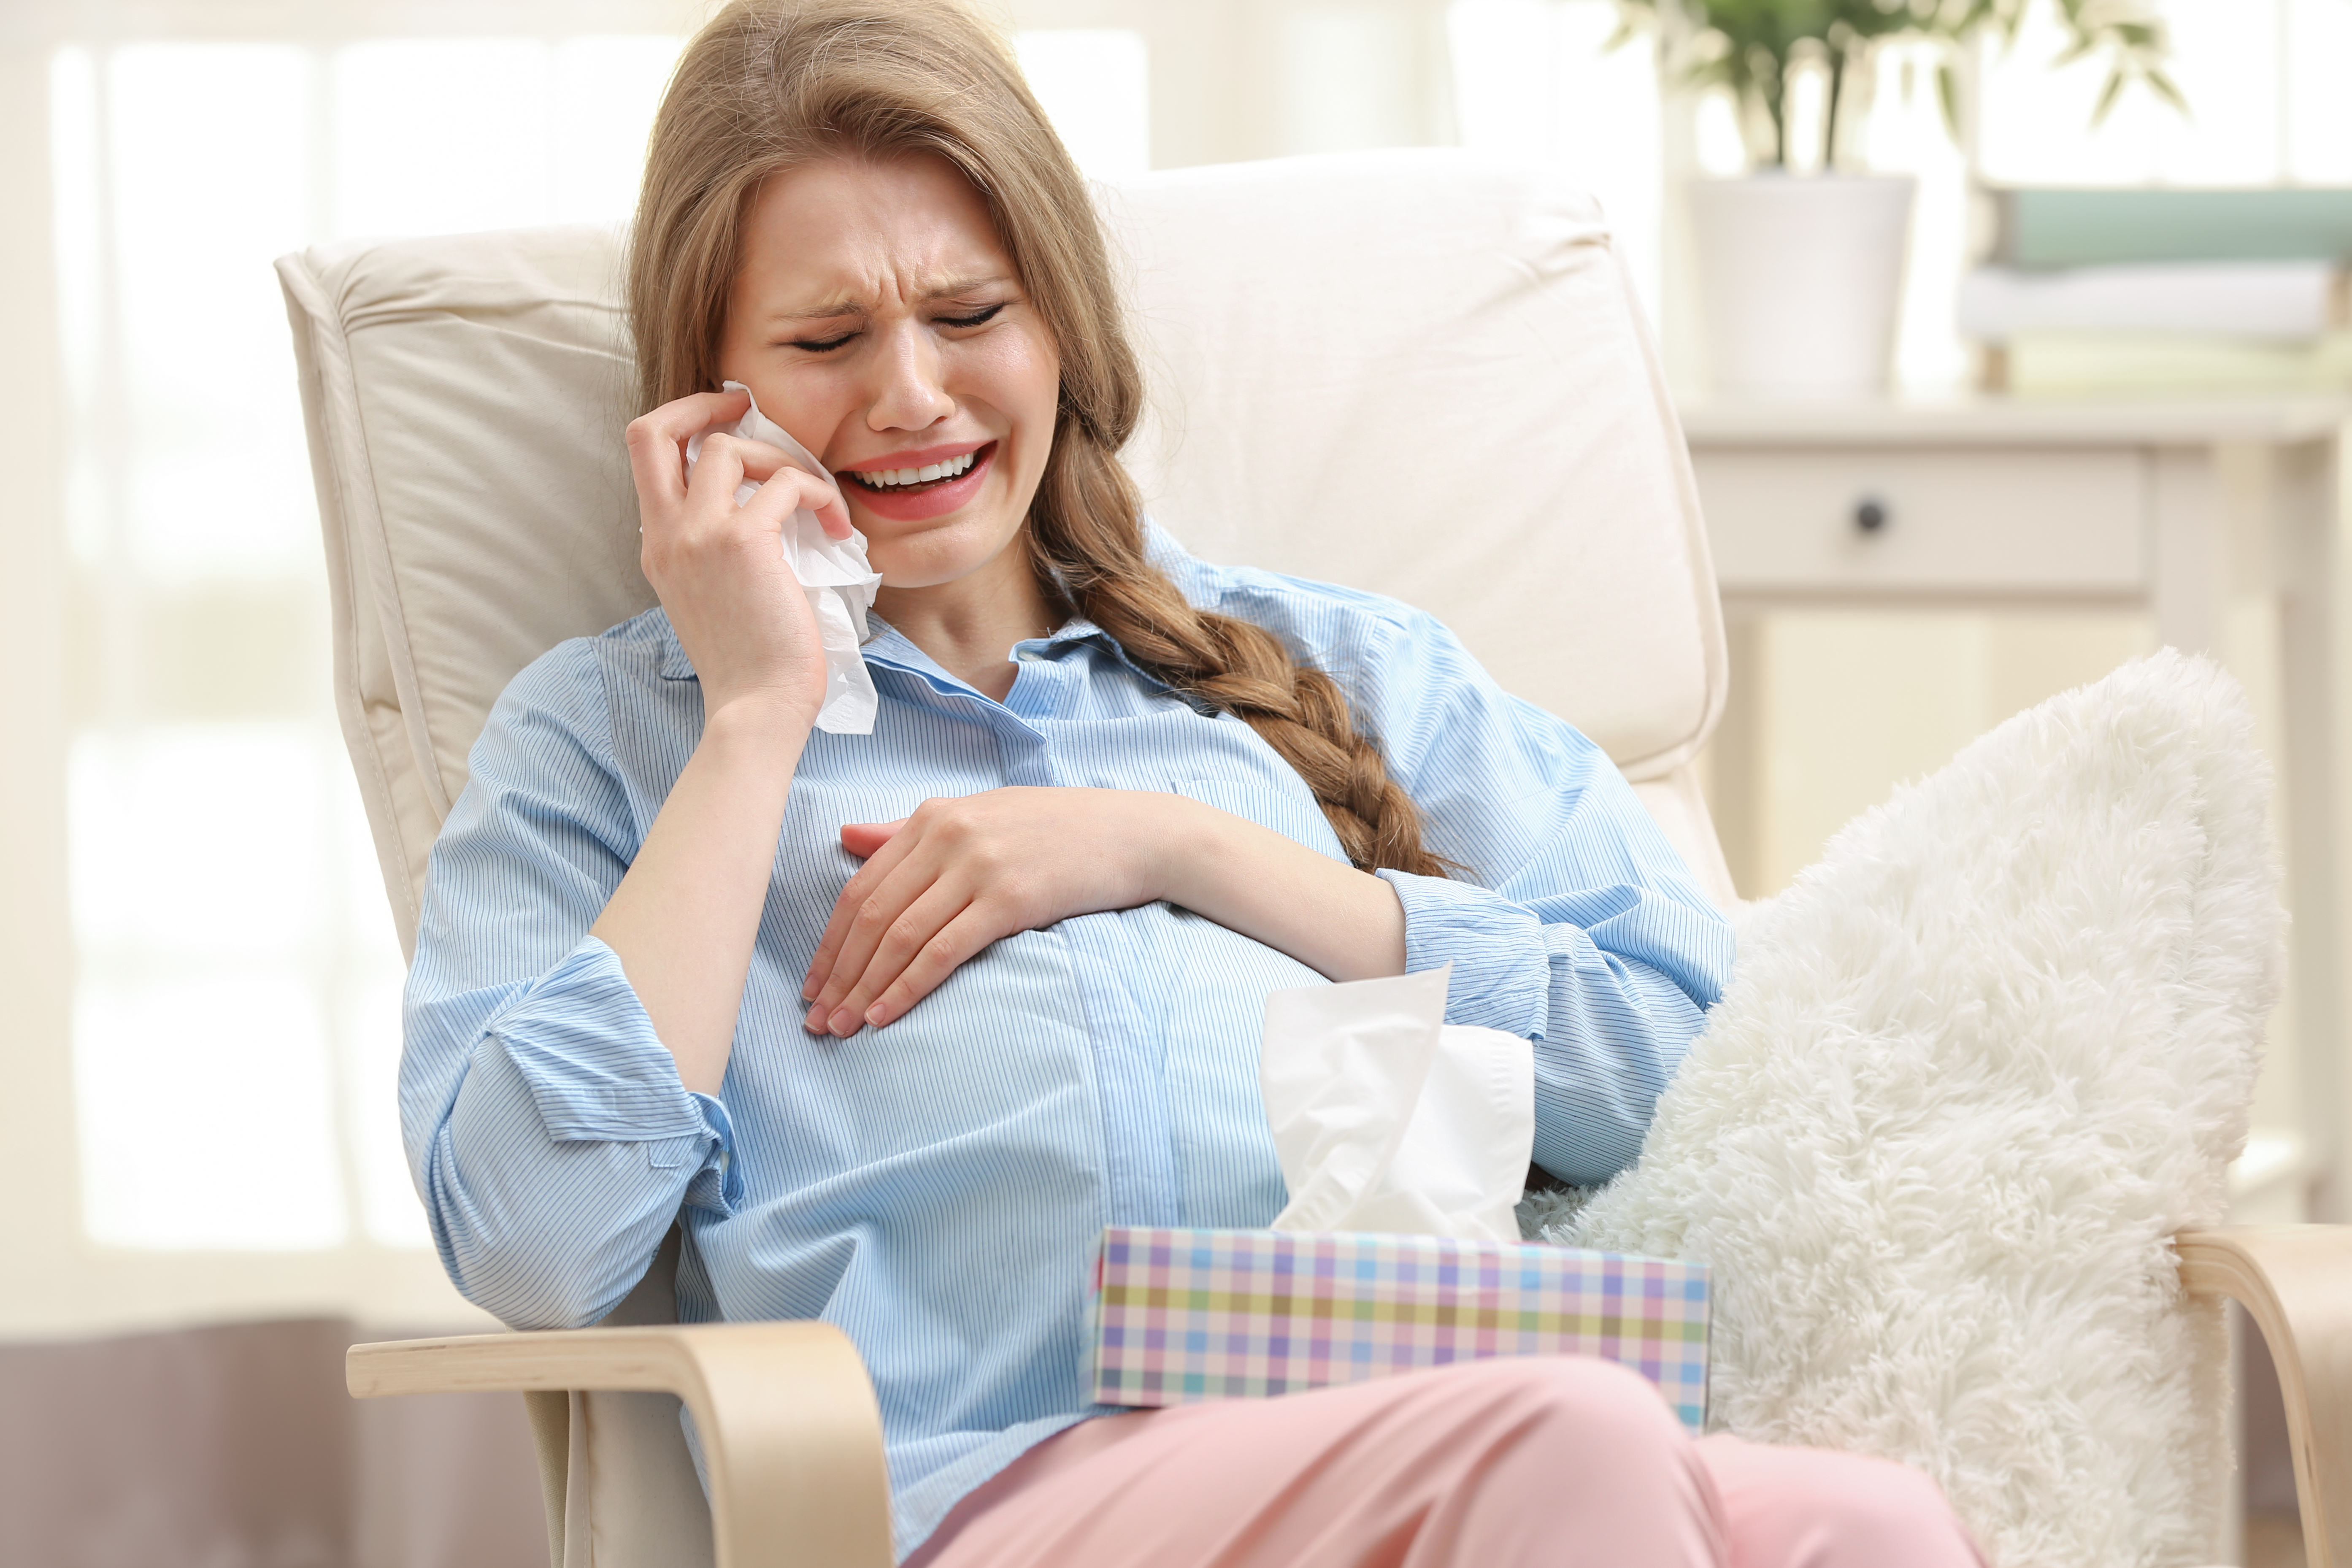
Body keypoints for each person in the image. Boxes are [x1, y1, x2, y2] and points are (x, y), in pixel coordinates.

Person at [400, 2, 1984, 1563]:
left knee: (1873, 1517)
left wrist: (1183, 849)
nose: (909, 395)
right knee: (1568, 1429)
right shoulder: (611, 737)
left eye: (971, 315)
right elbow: (537, 1242)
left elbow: (1699, 1055)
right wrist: (755, 712)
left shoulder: (1341, 669)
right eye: (826, 341)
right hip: (1002, 1487)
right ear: (707, 390)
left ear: (1064, 327)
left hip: (1431, 1414)